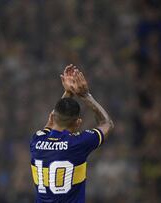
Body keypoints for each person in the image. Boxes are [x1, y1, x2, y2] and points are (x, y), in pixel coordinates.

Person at [29, 64, 114, 203]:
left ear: (52, 117)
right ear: (78, 123)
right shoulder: (78, 143)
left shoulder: (37, 140)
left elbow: (54, 118)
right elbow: (107, 124)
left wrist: (68, 92)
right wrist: (85, 95)